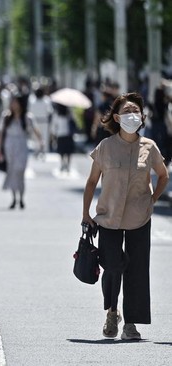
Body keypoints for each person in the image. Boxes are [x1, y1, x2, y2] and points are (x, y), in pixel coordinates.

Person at [82, 92, 169, 341]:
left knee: (137, 270)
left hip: (138, 218)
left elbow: (163, 176)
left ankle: (131, 324)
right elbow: (90, 182)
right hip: (108, 217)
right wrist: (85, 214)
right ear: (118, 117)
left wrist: (152, 201)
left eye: (136, 111)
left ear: (142, 117)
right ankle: (112, 311)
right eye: (127, 111)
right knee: (111, 267)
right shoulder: (105, 147)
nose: (133, 115)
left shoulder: (149, 147)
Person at [0, 95, 43, 209]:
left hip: (21, 145)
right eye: (13, 102)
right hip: (10, 145)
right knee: (11, 170)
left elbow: (35, 129)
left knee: (20, 170)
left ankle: (21, 197)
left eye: (16, 102)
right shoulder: (6, 116)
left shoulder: (27, 117)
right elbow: (1, 132)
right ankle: (14, 198)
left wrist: (40, 142)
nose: (14, 105)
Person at [50, 103, 76, 172]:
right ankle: (68, 165)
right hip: (68, 134)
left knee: (61, 151)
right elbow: (74, 122)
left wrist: (53, 136)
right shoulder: (69, 112)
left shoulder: (56, 113)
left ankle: (62, 164)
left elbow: (53, 126)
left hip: (60, 134)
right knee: (68, 151)